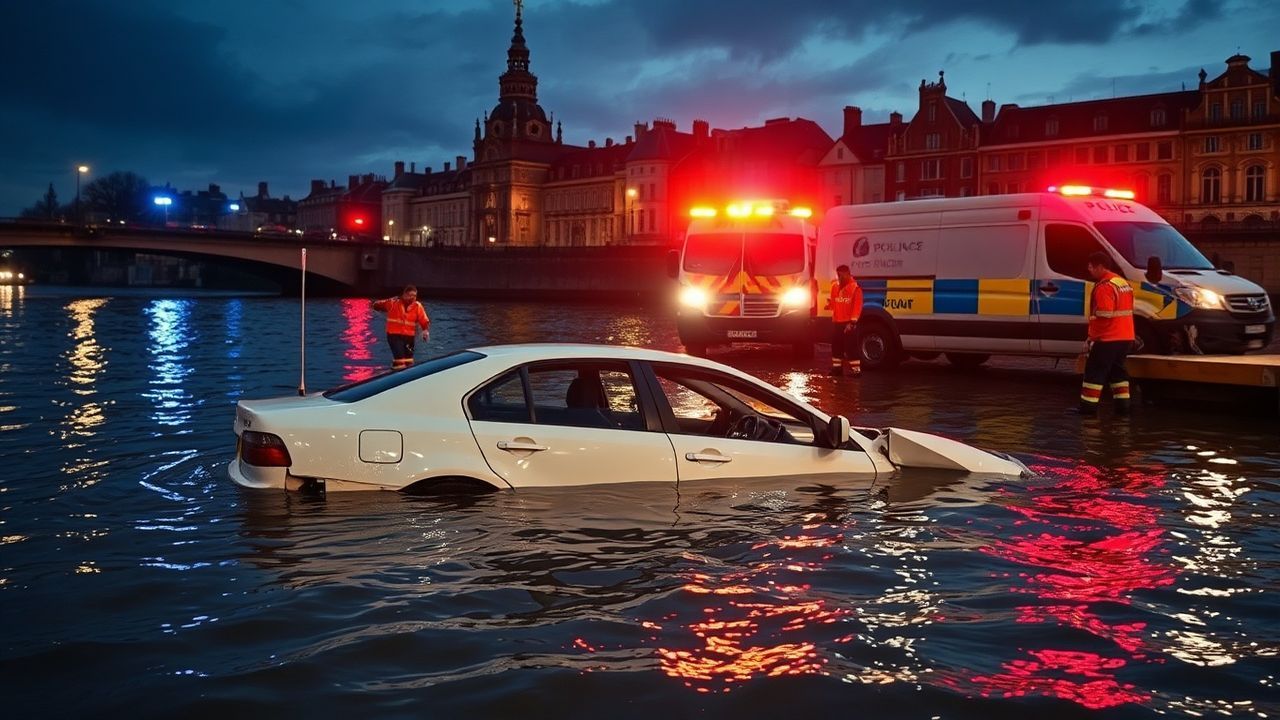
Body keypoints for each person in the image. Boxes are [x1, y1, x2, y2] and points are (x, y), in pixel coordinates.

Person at [1080, 252, 1135, 414]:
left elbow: (1105, 314)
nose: (1089, 270)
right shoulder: (1122, 283)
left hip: (1108, 338)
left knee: (1094, 373)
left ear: (1100, 267)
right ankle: (1123, 407)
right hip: (1125, 337)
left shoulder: (1104, 286)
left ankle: (1088, 409)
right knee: (1118, 372)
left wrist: (1092, 337)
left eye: (1091, 267)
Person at [372, 285, 430, 370]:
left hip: (409, 337)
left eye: (414, 296)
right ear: (404, 294)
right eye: (410, 295)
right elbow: (379, 305)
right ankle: (396, 375)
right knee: (400, 361)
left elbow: (424, 319)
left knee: (409, 362)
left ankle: (397, 374)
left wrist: (425, 330)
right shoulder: (393, 303)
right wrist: (375, 305)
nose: (412, 298)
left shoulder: (417, 306)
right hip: (394, 336)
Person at [826, 264, 863, 376]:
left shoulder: (855, 288)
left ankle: (856, 371)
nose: (839, 277)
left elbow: (857, 306)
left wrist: (852, 322)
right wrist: (829, 305)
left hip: (848, 323)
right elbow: (834, 302)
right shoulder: (835, 287)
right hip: (837, 322)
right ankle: (837, 368)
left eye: (841, 275)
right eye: (838, 274)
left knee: (851, 346)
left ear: (848, 274)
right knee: (836, 346)